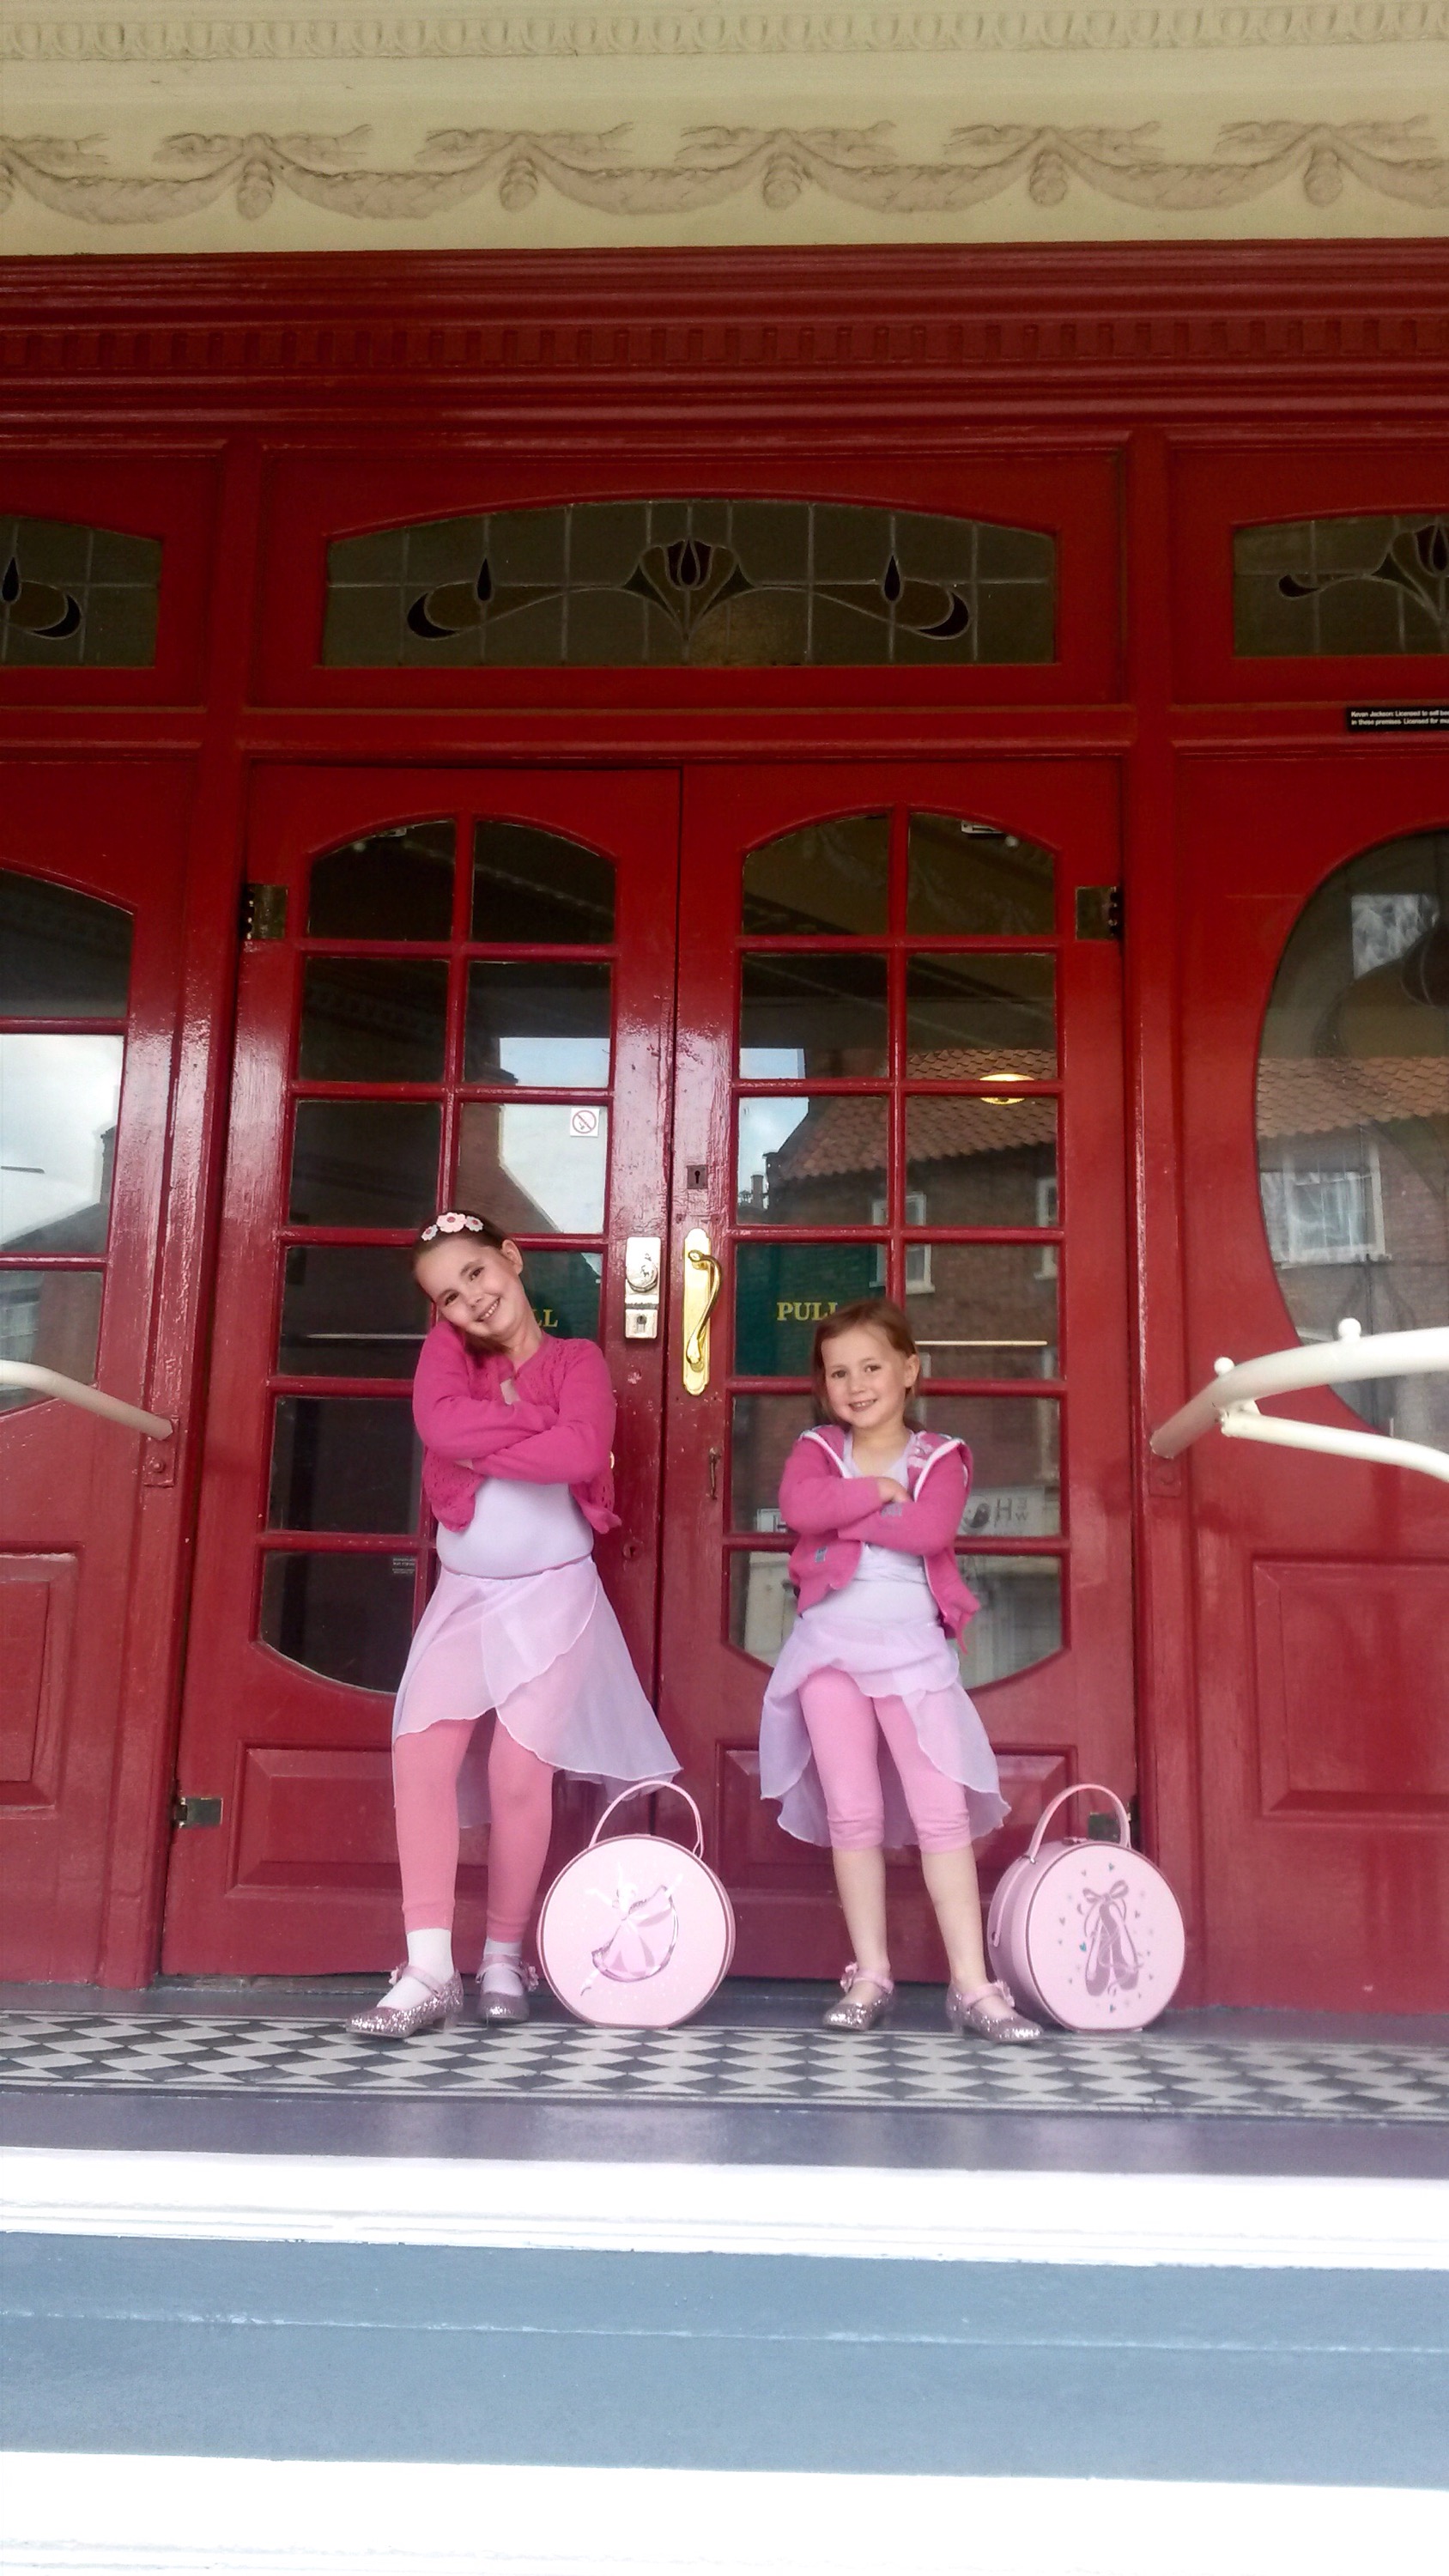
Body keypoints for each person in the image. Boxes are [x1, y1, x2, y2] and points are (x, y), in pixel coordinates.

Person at [351, 1210, 678, 2038]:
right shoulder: (447, 1355)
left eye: (476, 1274)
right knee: (420, 1752)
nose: (470, 1300)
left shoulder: (576, 1361)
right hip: (466, 1595)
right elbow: (440, 1427)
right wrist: (535, 1427)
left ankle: (502, 1954)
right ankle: (429, 1967)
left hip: (552, 1595)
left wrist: (486, 1441)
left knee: (519, 1773)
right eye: (448, 1296)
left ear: (511, 1257)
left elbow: (580, 1455)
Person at [758, 1297, 1043, 2041]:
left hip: (913, 1652)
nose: (856, 1385)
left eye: (872, 1367)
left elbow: (928, 1528)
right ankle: (871, 1974)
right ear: (823, 1385)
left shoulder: (941, 1456)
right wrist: (877, 1493)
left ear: (909, 1370)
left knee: (940, 1812)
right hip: (828, 1650)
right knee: (852, 1813)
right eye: (839, 1373)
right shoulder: (819, 1448)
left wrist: (846, 1513)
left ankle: (972, 1985)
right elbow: (798, 1507)